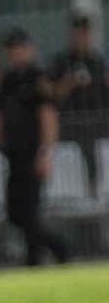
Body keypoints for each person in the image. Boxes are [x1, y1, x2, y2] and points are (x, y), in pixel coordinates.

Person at [0, 29, 71, 267]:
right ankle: (53, 250)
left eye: (20, 48)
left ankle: (40, 257)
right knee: (15, 212)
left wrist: (45, 153)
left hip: (33, 153)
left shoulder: (37, 78)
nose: (16, 54)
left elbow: (48, 116)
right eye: (12, 50)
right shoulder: (7, 80)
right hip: (13, 154)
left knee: (30, 210)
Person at [49, 12, 107, 189]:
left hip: (98, 117)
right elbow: (53, 93)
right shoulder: (62, 60)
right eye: (78, 33)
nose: (81, 37)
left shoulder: (98, 60)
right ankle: (91, 187)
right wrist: (69, 82)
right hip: (71, 119)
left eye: (85, 33)